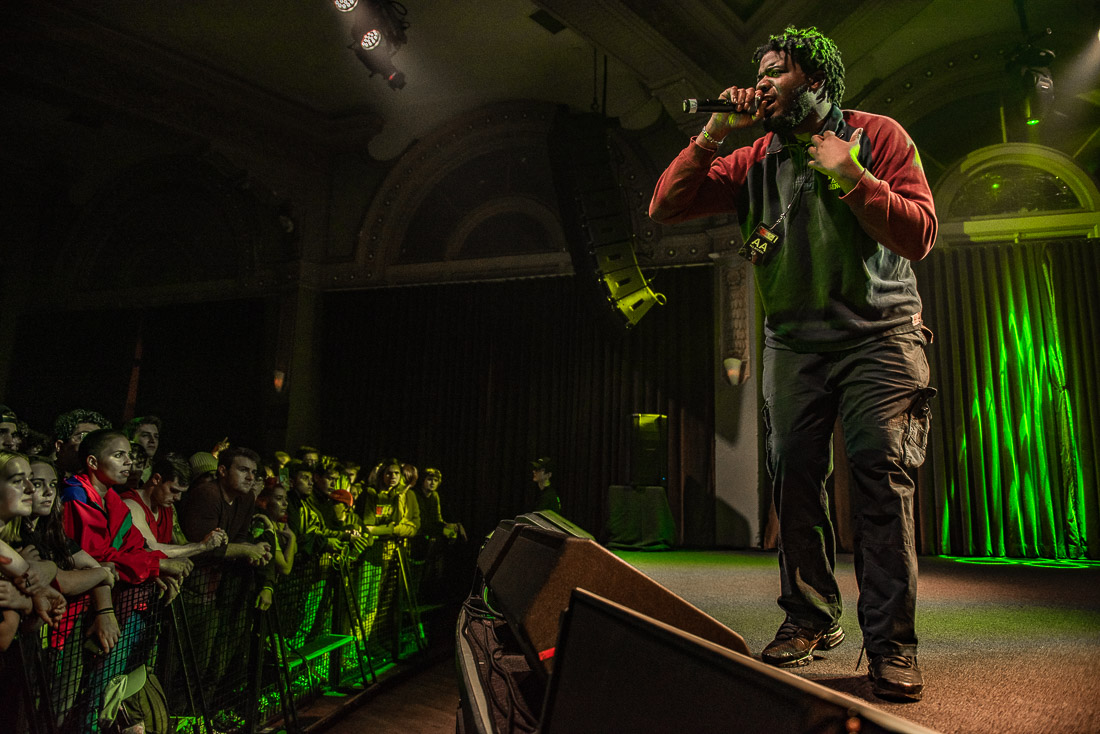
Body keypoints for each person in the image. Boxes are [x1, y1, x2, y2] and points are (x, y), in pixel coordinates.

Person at [649, 26, 936, 702]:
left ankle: (891, 644)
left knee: (878, 473)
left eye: (777, 70)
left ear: (816, 80)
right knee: (793, 476)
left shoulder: (876, 136)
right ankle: (810, 618)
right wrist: (715, 131)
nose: (763, 81)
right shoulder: (753, 157)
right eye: (762, 71)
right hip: (795, 342)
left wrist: (852, 175)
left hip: (882, 337)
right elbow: (665, 206)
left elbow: (920, 234)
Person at [120, 452, 228, 558]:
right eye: (174, 490)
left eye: (181, 492)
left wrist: (211, 540)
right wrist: (202, 546)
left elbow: (181, 544)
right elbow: (151, 548)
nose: (178, 497)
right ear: (156, 479)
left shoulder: (168, 507)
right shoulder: (131, 505)